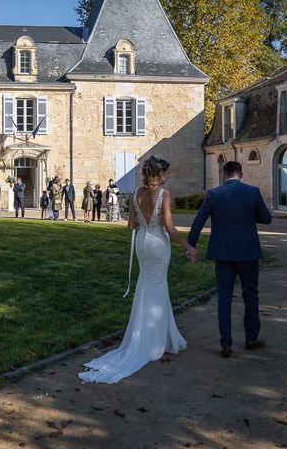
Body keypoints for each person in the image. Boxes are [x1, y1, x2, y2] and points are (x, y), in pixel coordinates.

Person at [79, 156, 199, 384]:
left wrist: (142, 219)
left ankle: (148, 336)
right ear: (159, 174)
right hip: (158, 243)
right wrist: (188, 247)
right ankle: (155, 341)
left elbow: (129, 225)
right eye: (166, 173)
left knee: (145, 285)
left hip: (141, 243)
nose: (168, 176)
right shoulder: (163, 195)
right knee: (158, 286)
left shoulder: (136, 194)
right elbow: (170, 227)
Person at [187, 161, 272, 359]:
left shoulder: (214, 194)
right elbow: (267, 218)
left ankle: (226, 344)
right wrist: (248, 215)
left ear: (224, 174)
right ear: (240, 174)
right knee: (251, 294)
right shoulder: (252, 192)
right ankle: (251, 338)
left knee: (224, 297)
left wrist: (191, 244)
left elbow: (198, 220)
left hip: (222, 251)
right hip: (248, 251)